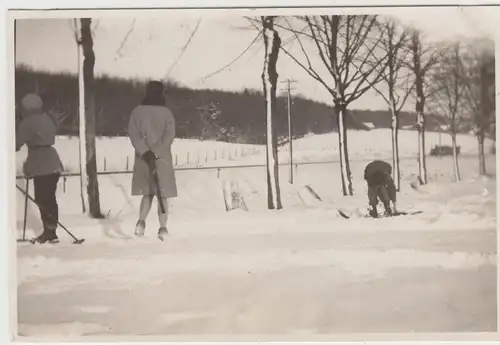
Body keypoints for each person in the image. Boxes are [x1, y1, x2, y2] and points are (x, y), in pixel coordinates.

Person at [128, 81, 177, 239]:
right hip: (161, 158)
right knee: (162, 194)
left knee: (147, 193)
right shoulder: (167, 113)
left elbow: (133, 134)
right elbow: (169, 136)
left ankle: (140, 224)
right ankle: (163, 228)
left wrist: (146, 151)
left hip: (144, 159)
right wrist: (156, 151)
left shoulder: (137, 112)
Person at [16, 94, 64, 243]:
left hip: (39, 160)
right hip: (53, 159)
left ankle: (49, 232)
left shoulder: (27, 122)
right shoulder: (47, 118)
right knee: (49, 197)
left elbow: (15, 143)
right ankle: (51, 230)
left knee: (42, 198)